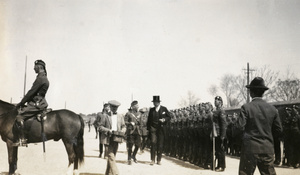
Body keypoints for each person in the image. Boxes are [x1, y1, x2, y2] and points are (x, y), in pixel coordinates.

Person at [237, 77, 282, 175]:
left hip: (250, 149)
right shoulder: (273, 109)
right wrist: (268, 140)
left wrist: (247, 140)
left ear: (251, 92)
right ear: (263, 92)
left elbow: (240, 127)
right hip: (267, 149)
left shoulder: (246, 108)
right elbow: (278, 130)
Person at [14, 60, 50, 146]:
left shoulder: (41, 78)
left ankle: (22, 139)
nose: (34, 68)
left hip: (36, 104)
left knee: (19, 116)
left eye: (35, 66)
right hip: (38, 102)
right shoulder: (42, 77)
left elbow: (31, 92)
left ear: (39, 67)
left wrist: (21, 103)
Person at [99, 100, 126, 175]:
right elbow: (100, 127)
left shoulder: (120, 116)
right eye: (113, 107)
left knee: (112, 157)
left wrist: (123, 130)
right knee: (111, 157)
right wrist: (108, 130)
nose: (114, 108)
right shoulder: (105, 115)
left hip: (117, 138)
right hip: (107, 138)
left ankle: (108, 173)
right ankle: (115, 173)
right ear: (110, 107)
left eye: (116, 107)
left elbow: (124, 126)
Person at [147, 96, 171, 165]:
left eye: (156, 102)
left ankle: (159, 160)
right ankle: (152, 160)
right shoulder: (151, 110)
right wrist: (148, 129)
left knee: (160, 144)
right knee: (153, 143)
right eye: (154, 102)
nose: (155, 104)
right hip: (153, 129)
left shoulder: (164, 109)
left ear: (159, 102)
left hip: (161, 129)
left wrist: (164, 120)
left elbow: (169, 117)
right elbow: (149, 120)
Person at [124, 100, 142, 165]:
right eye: (136, 105)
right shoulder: (128, 113)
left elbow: (141, 123)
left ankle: (133, 155)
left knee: (138, 145)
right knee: (130, 145)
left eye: (138, 105)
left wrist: (140, 124)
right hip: (130, 131)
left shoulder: (140, 114)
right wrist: (130, 123)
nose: (138, 106)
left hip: (138, 131)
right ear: (133, 106)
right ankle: (129, 159)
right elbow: (125, 122)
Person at [213, 96, 227, 172]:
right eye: (215, 101)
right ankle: (219, 165)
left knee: (221, 150)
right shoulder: (216, 110)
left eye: (217, 101)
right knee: (218, 150)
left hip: (220, 134)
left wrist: (222, 136)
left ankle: (222, 166)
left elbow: (223, 125)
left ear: (220, 102)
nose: (215, 102)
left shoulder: (221, 111)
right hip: (216, 133)